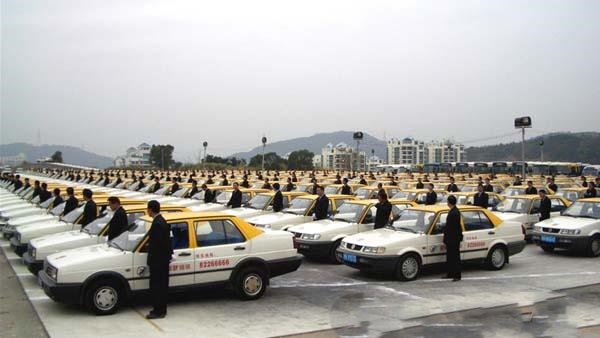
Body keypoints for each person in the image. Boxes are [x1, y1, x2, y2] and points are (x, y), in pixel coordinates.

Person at [145, 200, 172, 319]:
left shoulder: (158, 223)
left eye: (148, 209)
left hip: (158, 261)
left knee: (158, 286)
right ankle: (160, 309)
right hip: (162, 260)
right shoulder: (161, 221)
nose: (147, 211)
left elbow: (159, 244)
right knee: (160, 286)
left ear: (150, 209)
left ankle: (159, 311)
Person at [444, 195, 463, 281]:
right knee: (450, 257)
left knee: (455, 257)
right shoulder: (453, 211)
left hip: (453, 239)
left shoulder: (454, 213)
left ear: (449, 202)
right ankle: (450, 273)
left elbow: (453, 228)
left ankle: (457, 275)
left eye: (447, 201)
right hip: (451, 238)